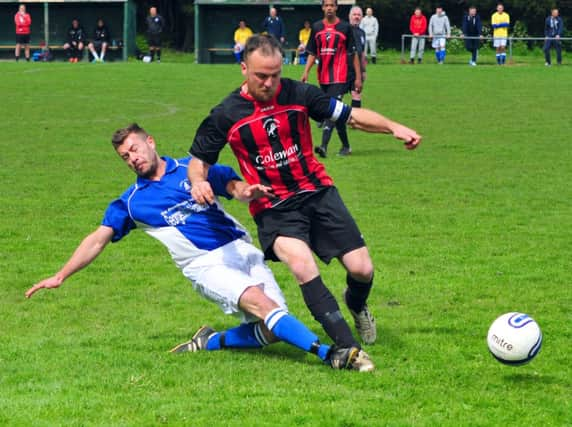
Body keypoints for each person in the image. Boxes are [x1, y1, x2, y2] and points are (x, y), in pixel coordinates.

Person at [25, 123, 362, 371]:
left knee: (272, 328)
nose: (132, 158)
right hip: (205, 265)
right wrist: (61, 275)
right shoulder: (131, 203)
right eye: (125, 156)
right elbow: (97, 239)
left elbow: (233, 185)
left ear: (151, 142)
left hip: (242, 250)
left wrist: (249, 192)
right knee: (264, 307)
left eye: (135, 149)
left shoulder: (193, 168)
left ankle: (210, 341)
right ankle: (327, 354)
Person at [188, 34, 422, 373]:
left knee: (361, 269)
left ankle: (356, 306)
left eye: (275, 74)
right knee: (301, 265)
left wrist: (394, 127)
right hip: (273, 206)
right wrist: (198, 182)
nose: (269, 83)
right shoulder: (225, 114)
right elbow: (199, 161)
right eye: (260, 76)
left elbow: (351, 117)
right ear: (243, 69)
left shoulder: (299, 94)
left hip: (317, 191)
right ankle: (350, 350)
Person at [302, 0, 361, 158]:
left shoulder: (345, 27)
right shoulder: (316, 27)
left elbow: (353, 54)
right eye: (326, 5)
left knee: (331, 110)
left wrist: (358, 78)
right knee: (338, 113)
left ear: (336, 7)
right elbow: (312, 52)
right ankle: (346, 147)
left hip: (341, 77)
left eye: (332, 5)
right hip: (324, 77)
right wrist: (306, 72)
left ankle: (323, 146)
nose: (329, 8)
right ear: (322, 8)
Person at [348, 6, 367, 109]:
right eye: (354, 14)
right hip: (344, 68)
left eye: (359, 15)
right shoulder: (345, 30)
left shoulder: (362, 33)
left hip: (357, 71)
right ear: (349, 16)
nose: (356, 17)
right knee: (337, 95)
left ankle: (355, 120)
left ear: (362, 17)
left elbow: (362, 53)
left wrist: (363, 71)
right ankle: (326, 118)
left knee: (357, 94)